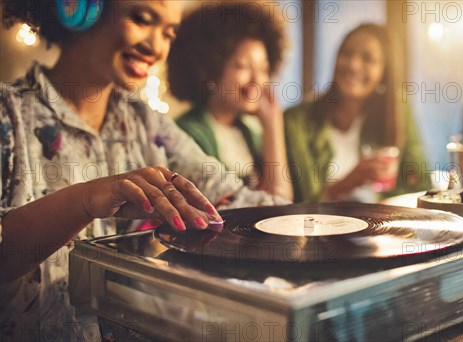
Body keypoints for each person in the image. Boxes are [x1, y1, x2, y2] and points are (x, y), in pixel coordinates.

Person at [0, 1, 284, 339]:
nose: (156, 47)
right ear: (79, 8)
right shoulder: (10, 115)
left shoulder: (145, 123)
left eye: (168, 33)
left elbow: (235, 197)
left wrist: (315, 224)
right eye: (141, 19)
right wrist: (88, 199)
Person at [284, 24, 430, 203]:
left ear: (384, 72)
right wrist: (349, 181)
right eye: (346, 54)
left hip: (382, 225)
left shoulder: (397, 111)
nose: (353, 65)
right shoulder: (297, 120)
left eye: (367, 58)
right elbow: (304, 202)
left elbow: (422, 184)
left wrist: (385, 201)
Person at [168, 2, 292, 200]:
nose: (257, 80)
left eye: (263, 69)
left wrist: (272, 126)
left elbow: (281, 203)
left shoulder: (249, 132)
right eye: (243, 66)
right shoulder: (187, 133)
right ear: (209, 68)